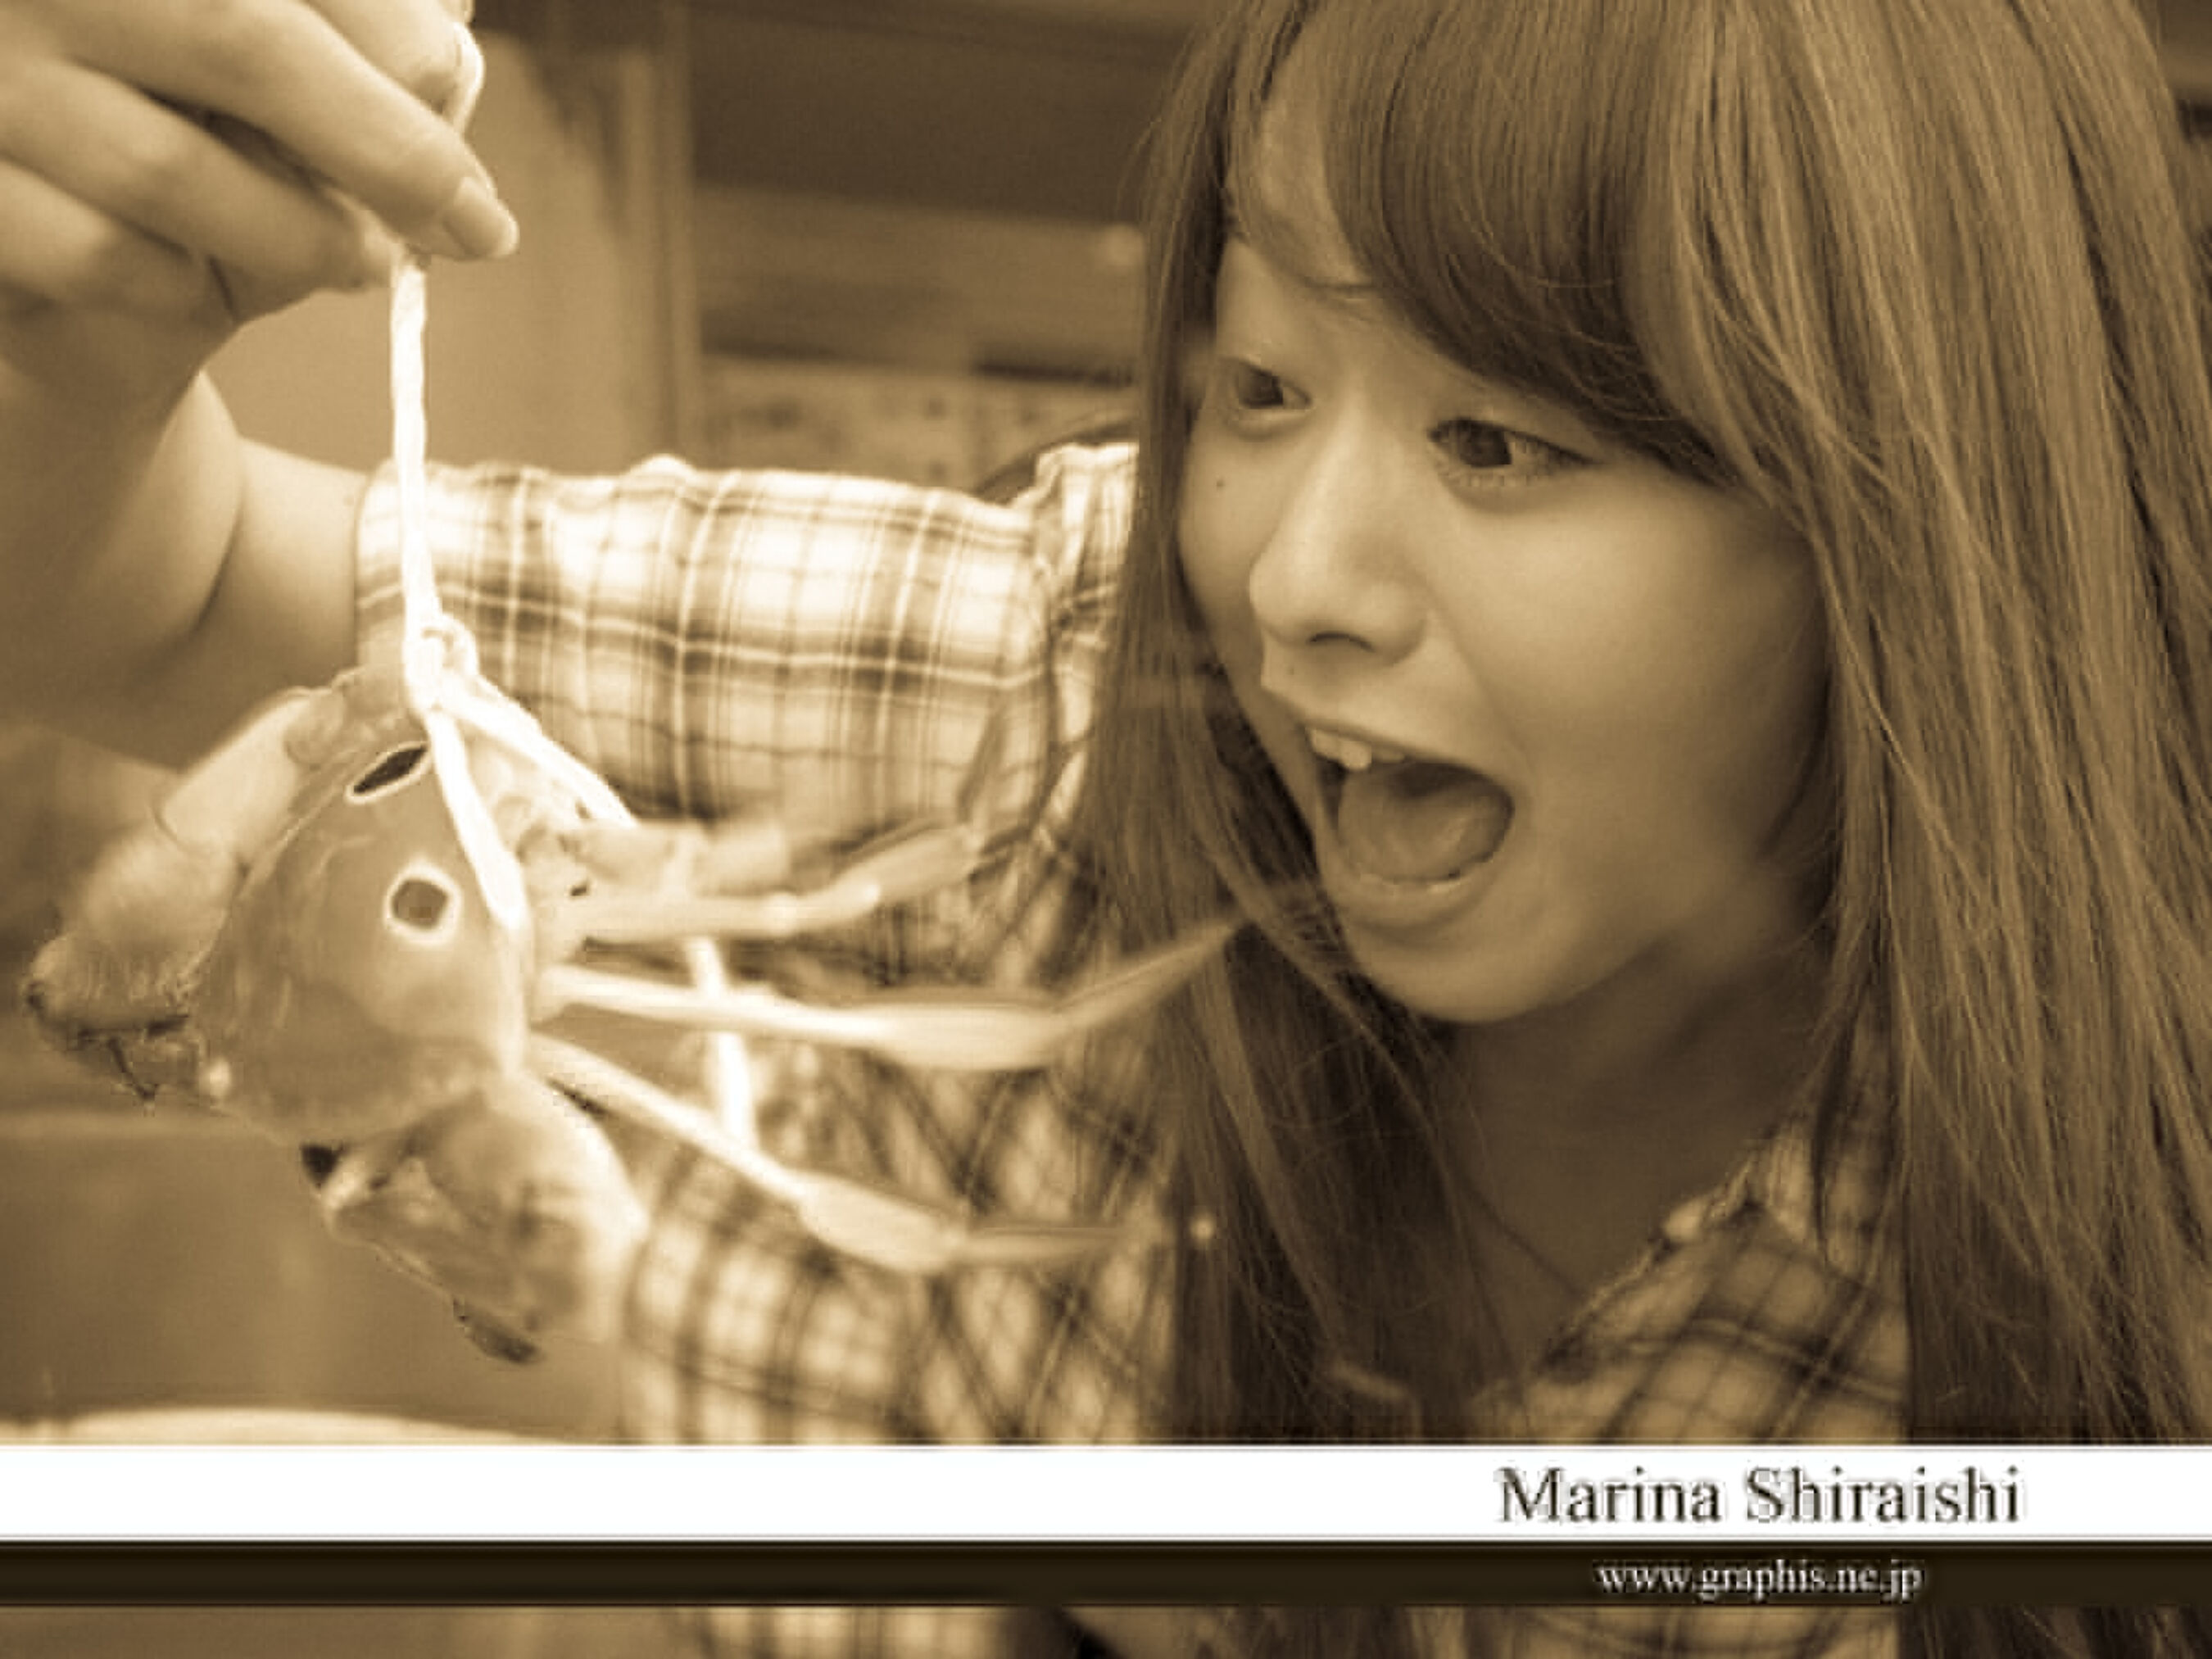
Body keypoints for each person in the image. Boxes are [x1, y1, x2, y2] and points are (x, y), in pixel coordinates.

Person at [5, 0, 2212, 1653]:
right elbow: (163, 587)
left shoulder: (2097, 1236)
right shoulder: (1065, 672)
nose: (1291, 577)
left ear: (1911, 535)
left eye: (1498, 440)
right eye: (1259, 387)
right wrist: (64, 324)